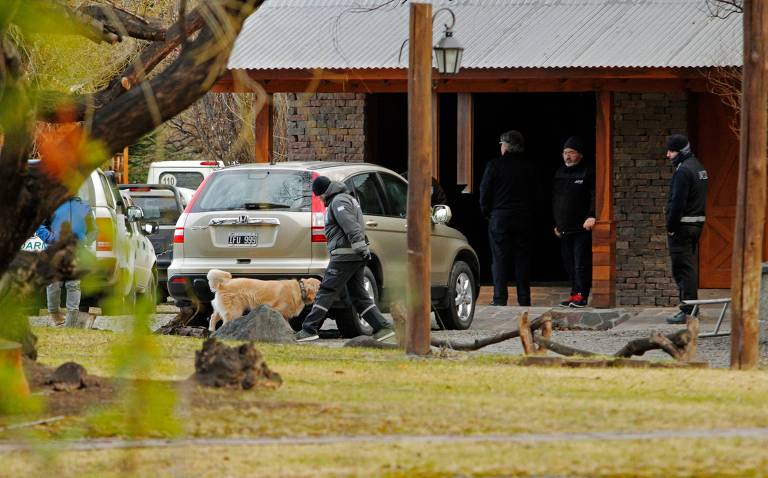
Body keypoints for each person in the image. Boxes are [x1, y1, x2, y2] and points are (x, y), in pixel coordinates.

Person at [295, 176, 395, 342]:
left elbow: (350, 224)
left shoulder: (338, 202)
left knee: (326, 290)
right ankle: (383, 327)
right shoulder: (346, 198)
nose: (320, 199)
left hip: (345, 255)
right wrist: (361, 249)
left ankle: (309, 329)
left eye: (319, 196)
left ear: (323, 192)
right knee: (358, 296)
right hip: (353, 255)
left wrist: (360, 246)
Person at [479, 130, 535, 306]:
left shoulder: (494, 165)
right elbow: (536, 194)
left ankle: (499, 298)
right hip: (523, 217)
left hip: (500, 217)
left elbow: (484, 191)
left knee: (499, 259)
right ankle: (524, 299)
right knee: (522, 259)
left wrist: (487, 212)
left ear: (505, 146)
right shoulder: (528, 166)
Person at [664, 134, 708, 324]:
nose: (668, 155)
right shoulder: (698, 167)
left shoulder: (683, 171)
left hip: (682, 227)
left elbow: (678, 202)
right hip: (695, 224)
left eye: (671, 151)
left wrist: (671, 227)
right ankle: (692, 308)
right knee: (688, 267)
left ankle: (688, 310)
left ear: (681, 152)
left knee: (682, 269)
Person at [36, 196, 95, 327]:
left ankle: (70, 325)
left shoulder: (84, 207)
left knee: (73, 285)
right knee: (53, 284)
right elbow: (40, 227)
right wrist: (51, 238)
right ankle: (55, 315)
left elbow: (93, 231)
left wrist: (85, 240)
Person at [552, 136, 595, 308]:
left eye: (571, 153)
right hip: (564, 227)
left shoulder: (588, 172)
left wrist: (592, 215)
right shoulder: (559, 173)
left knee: (581, 264)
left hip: (581, 228)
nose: (567, 156)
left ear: (580, 155)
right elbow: (556, 200)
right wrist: (558, 223)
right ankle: (574, 294)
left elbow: (594, 196)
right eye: (565, 153)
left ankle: (581, 296)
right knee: (569, 264)